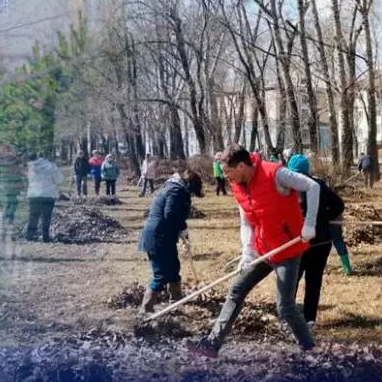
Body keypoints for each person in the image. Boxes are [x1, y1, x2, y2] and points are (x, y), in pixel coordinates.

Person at [185, 144, 318, 357]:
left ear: (241, 166)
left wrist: (309, 224)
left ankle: (310, 349)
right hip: (262, 249)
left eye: (228, 171)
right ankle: (212, 343)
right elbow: (246, 222)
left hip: (287, 249)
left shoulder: (275, 173)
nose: (226, 176)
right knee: (237, 289)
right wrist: (247, 252)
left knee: (284, 306)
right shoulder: (238, 185)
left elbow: (312, 186)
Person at [287, 155, 345, 328]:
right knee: (314, 279)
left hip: (299, 242)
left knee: (292, 279)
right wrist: (324, 217)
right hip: (322, 241)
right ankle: (309, 318)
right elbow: (338, 205)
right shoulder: (318, 184)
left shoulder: (289, 188)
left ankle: (289, 317)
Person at [138, 169, 204, 314]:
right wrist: (182, 228)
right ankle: (146, 309)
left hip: (166, 236)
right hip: (157, 237)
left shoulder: (177, 189)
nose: (191, 193)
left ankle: (176, 298)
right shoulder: (175, 191)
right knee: (160, 274)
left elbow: (175, 215)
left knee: (174, 267)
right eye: (192, 191)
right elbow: (170, 215)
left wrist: (182, 233)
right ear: (188, 183)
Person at [26, 154, 65, 242]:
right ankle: (45, 237)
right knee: (46, 217)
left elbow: (29, 179)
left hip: (34, 194)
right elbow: (59, 179)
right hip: (48, 194)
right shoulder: (51, 166)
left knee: (33, 216)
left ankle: (30, 236)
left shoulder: (31, 166)